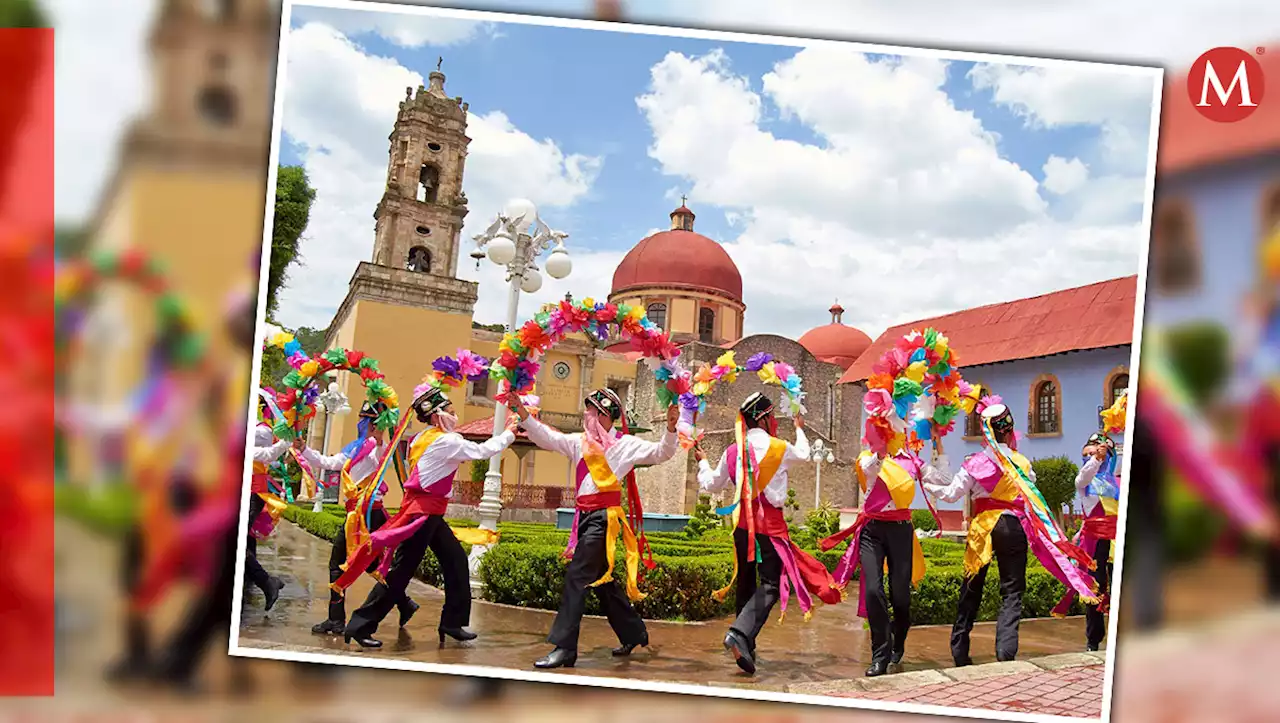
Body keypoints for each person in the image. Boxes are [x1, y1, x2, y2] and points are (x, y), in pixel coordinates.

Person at [509, 388, 679, 670]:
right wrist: (523, 414)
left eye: (592, 411)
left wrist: (671, 429)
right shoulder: (580, 443)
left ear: (605, 415)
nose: (586, 416)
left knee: (577, 577)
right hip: (585, 517)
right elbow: (549, 438)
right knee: (602, 583)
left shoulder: (626, 445)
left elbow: (661, 452)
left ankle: (565, 648)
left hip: (604, 519)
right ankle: (633, 632)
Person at [340, 384, 516, 649]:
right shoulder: (447, 440)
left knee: (456, 561)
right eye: (450, 411)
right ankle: (361, 624)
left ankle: (452, 623)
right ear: (437, 415)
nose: (455, 416)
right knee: (400, 572)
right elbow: (482, 451)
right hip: (422, 515)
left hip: (428, 513)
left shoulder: (421, 437)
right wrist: (509, 433)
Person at [926, 399, 1098, 666]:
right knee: (1013, 590)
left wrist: (927, 484)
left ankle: (960, 650)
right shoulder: (1022, 464)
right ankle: (1006, 652)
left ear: (987, 433)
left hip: (984, 527)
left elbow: (951, 495)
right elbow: (1030, 497)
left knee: (971, 588)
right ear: (1009, 430)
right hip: (1014, 527)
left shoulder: (975, 462)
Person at [694, 392, 842, 676]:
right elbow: (804, 453)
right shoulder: (778, 447)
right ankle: (739, 634)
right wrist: (799, 427)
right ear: (763, 418)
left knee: (746, 588)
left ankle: (745, 647)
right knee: (772, 585)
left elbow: (711, 484)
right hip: (770, 528)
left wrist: (702, 461)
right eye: (772, 417)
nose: (775, 421)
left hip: (742, 528)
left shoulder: (732, 450)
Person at [818, 420, 946, 677]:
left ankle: (898, 642)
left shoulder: (912, 462)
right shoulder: (870, 460)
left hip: (900, 531)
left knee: (900, 597)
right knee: (874, 590)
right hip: (872, 531)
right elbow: (869, 468)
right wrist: (880, 452)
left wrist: (938, 443)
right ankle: (880, 653)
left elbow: (943, 480)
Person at [299, 401, 420, 636]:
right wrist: (303, 448)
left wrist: (382, 436)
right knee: (371, 565)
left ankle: (336, 620)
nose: (362, 424)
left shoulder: (376, 448)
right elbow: (329, 462)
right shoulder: (357, 447)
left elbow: (382, 456)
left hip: (366, 514)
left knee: (339, 565)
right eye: (363, 420)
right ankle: (404, 603)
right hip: (357, 514)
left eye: (367, 421)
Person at [1064, 432, 1120, 651]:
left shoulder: (1115, 482)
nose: (1089, 457)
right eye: (1085, 455)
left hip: (1116, 542)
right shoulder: (1084, 482)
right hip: (1094, 545)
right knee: (1095, 591)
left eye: (1094, 453)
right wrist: (1096, 459)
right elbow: (1084, 476)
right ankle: (1093, 641)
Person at [244, 394, 290, 611]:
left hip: (253, 493)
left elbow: (266, 454)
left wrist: (287, 439)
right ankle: (253, 580)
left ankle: (265, 581)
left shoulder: (261, 430)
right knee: (246, 540)